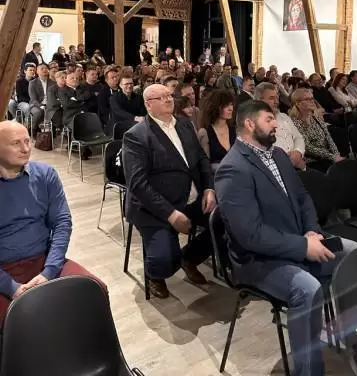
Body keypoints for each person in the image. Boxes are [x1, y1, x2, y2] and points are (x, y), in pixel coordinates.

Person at [214, 100, 357, 376]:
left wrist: (312, 230)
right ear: (249, 124)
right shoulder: (233, 169)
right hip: (259, 260)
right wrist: (303, 246)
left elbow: (302, 198)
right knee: (307, 289)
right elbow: (250, 234)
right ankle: (309, 372)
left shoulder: (279, 155)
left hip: (299, 239)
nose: (276, 125)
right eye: (269, 119)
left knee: (355, 254)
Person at [0, 122, 103, 325]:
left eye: (27, 141)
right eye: (16, 143)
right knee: (16, 322)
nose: (25, 148)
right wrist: (10, 287)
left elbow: (62, 223)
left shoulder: (45, 174)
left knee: (95, 291)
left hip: (45, 259)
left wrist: (49, 271)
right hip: (4, 268)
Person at [122, 84, 216, 299]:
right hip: (155, 208)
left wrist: (209, 188)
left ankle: (189, 258)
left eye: (169, 95)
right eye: (161, 97)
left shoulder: (184, 125)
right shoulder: (136, 136)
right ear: (148, 105)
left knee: (225, 222)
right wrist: (171, 215)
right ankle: (155, 275)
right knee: (164, 261)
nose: (168, 99)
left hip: (191, 198)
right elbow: (138, 184)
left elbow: (202, 158)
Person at [290, 87, 344, 173]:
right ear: (298, 103)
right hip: (312, 161)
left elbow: (329, 138)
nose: (312, 101)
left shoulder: (316, 118)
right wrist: (332, 157)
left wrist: (336, 154)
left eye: (312, 98)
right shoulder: (294, 122)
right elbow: (307, 147)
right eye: (307, 99)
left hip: (327, 157)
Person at [254, 82, 305, 170]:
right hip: (277, 169)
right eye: (271, 98)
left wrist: (298, 152)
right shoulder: (255, 123)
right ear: (260, 101)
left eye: (277, 98)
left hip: (298, 163)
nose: (276, 101)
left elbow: (298, 137)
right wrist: (290, 161)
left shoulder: (284, 117)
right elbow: (264, 151)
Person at [198, 89, 236, 173]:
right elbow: (205, 165)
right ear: (215, 107)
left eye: (231, 105)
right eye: (226, 105)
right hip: (217, 177)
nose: (230, 109)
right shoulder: (205, 132)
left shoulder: (235, 130)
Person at [28, 63, 56, 136]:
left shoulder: (53, 83)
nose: (44, 70)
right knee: (38, 112)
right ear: (37, 71)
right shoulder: (32, 83)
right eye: (42, 68)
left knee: (54, 112)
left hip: (50, 105)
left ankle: (52, 131)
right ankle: (33, 128)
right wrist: (41, 106)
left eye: (46, 68)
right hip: (36, 105)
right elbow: (33, 99)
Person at [97, 65, 121, 132]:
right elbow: (103, 111)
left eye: (116, 76)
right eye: (112, 77)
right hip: (109, 121)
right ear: (106, 80)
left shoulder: (122, 89)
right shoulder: (103, 93)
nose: (115, 79)